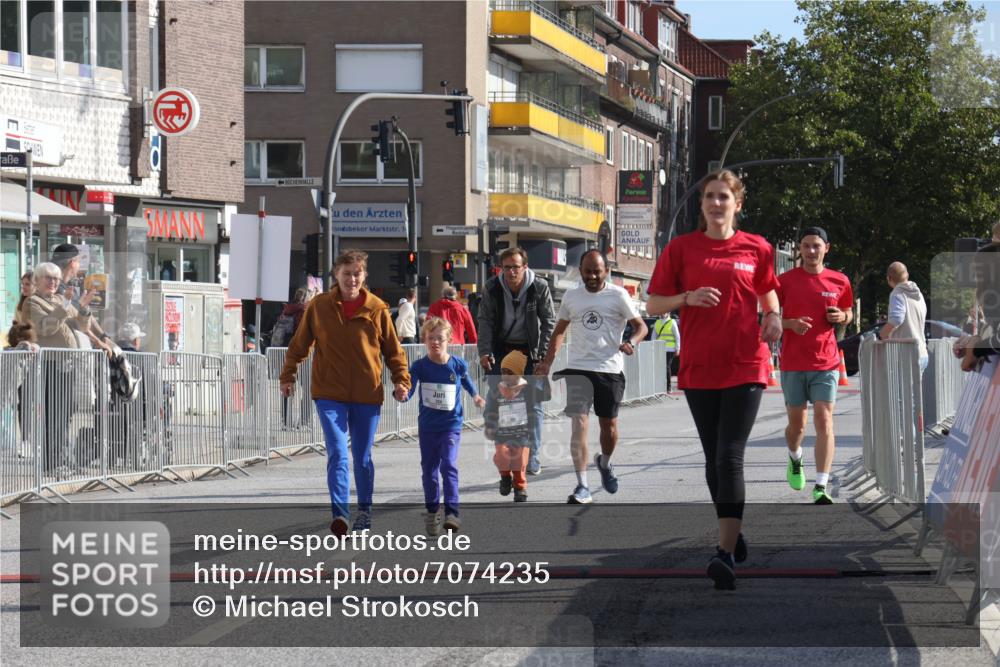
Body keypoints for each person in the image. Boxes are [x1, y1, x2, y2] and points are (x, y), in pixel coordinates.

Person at [646, 169, 783, 591]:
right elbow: (653, 304)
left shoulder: (756, 247)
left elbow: (767, 292)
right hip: (701, 365)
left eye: (724, 196)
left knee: (729, 457)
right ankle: (732, 528)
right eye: (709, 196)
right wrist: (687, 298)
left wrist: (774, 315)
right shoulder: (681, 249)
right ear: (701, 203)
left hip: (746, 363)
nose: (716, 203)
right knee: (711, 460)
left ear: (737, 204)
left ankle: (724, 555)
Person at [280, 249, 410, 536]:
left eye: (357, 273)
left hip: (367, 393)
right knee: (338, 453)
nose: (352, 279)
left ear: (364, 276)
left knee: (361, 458)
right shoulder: (319, 307)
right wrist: (287, 375)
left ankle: (364, 510)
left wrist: (401, 381)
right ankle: (340, 515)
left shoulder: (377, 308)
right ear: (336, 275)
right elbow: (300, 345)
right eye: (346, 273)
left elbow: (393, 351)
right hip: (329, 393)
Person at [536, 249, 647, 505]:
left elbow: (641, 326)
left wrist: (631, 342)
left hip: (609, 369)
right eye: (588, 271)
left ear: (606, 271)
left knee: (609, 428)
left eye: (597, 271)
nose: (592, 276)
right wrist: (547, 362)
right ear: (581, 271)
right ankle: (582, 486)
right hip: (578, 369)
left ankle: (605, 463)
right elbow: (559, 331)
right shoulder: (572, 296)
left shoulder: (618, 295)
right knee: (580, 424)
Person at [776, 227, 854, 505]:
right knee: (797, 427)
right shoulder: (784, 281)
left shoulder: (840, 280)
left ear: (826, 248)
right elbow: (768, 319)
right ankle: (795, 457)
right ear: (800, 248)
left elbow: (849, 313)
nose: (811, 251)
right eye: (806, 246)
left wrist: (841, 316)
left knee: (824, 420)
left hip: (826, 361)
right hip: (794, 363)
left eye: (816, 246)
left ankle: (821, 485)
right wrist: (789, 324)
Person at [477, 247, 556, 475]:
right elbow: (485, 322)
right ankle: (507, 452)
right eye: (507, 267)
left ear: (525, 267)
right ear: (501, 268)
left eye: (516, 267)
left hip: (530, 350)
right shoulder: (492, 288)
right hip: (501, 349)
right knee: (496, 401)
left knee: (534, 404)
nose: (511, 272)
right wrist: (485, 352)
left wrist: (542, 354)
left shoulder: (538, 287)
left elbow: (549, 321)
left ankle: (532, 456)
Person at [404, 317, 485, 536]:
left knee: (448, 464)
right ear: (424, 340)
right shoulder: (420, 366)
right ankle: (432, 512)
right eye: (431, 338)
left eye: (440, 338)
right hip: (428, 427)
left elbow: (466, 380)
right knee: (429, 471)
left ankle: (452, 512)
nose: (435, 342)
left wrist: (476, 396)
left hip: (451, 424)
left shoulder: (457, 364)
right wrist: (402, 394)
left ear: (449, 339)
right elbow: (409, 391)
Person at [484, 350, 550, 503]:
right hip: (502, 434)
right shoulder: (496, 390)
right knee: (502, 457)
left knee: (520, 462)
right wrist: (490, 424)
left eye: (510, 372)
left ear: (519, 373)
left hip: (522, 433)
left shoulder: (527, 389)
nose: (505, 375)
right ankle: (505, 476)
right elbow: (490, 409)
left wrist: (543, 379)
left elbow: (545, 396)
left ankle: (520, 487)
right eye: (503, 372)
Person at [880, 262, 928, 374]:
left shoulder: (897, 293)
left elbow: (897, 318)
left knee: (902, 391)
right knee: (915, 391)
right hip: (922, 351)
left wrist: (881, 335)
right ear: (907, 275)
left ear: (889, 278)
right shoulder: (919, 294)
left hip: (906, 355)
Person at [652, 312, 680, 392]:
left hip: (670, 349)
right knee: (660, 368)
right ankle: (660, 386)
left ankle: (668, 387)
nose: (662, 313)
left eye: (665, 311)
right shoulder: (657, 322)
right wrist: (652, 347)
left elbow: (677, 336)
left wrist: (677, 349)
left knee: (666, 367)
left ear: (668, 313)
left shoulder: (672, 322)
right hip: (660, 349)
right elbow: (653, 336)